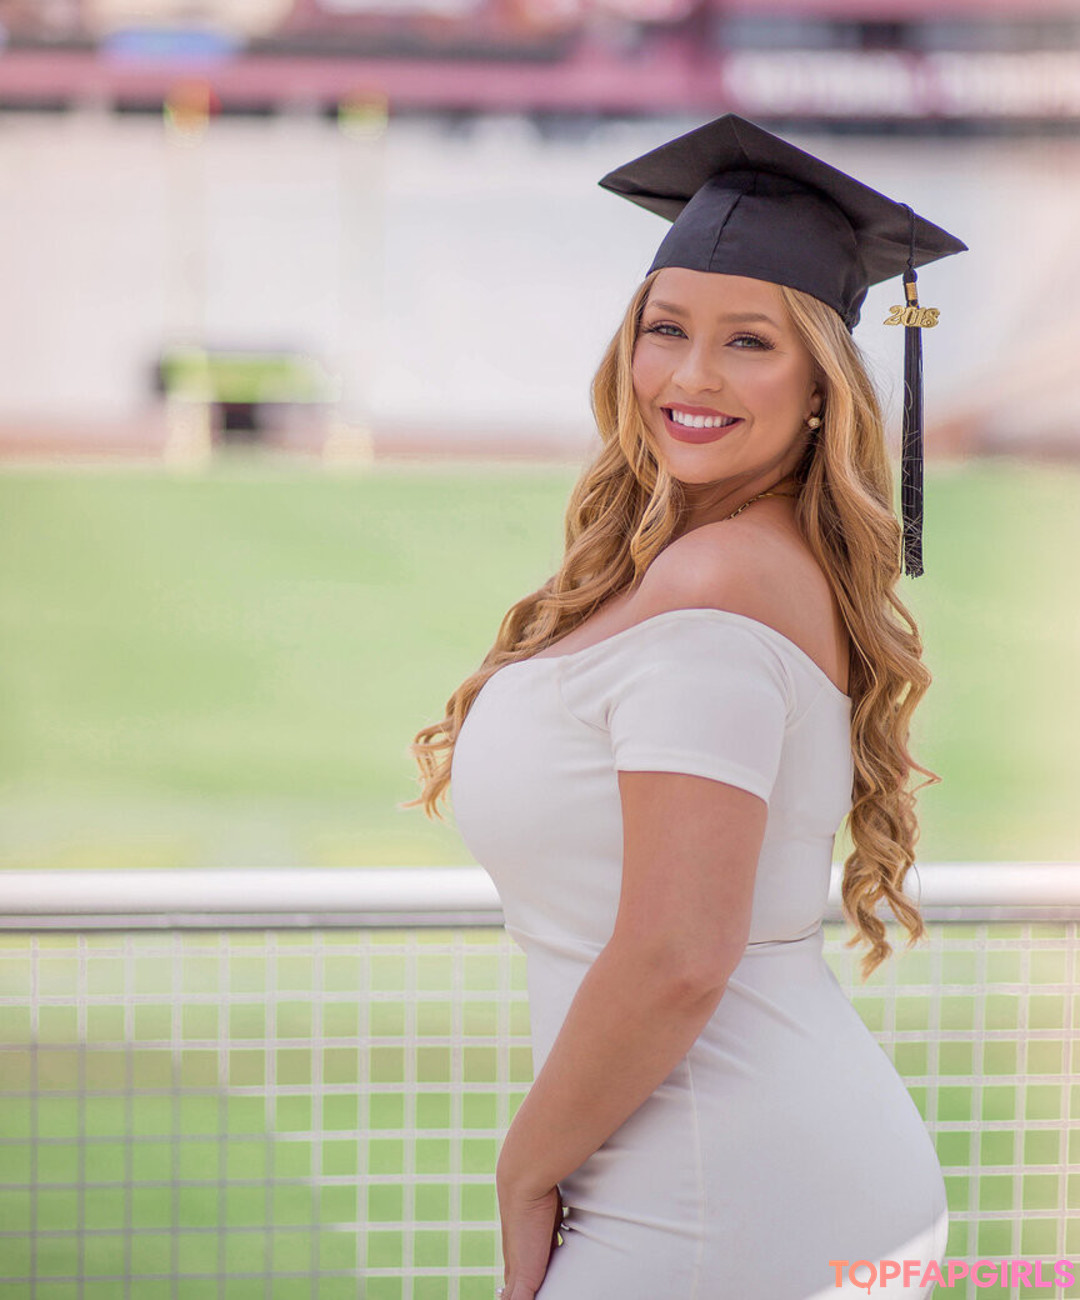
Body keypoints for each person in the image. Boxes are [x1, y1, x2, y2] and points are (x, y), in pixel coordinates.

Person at [404, 113, 967, 1299]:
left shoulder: (717, 584)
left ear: (821, 385)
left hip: (725, 1207)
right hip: (747, 1180)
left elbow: (677, 954)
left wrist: (524, 1171)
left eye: (749, 341)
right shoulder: (732, 560)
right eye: (667, 329)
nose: (691, 377)